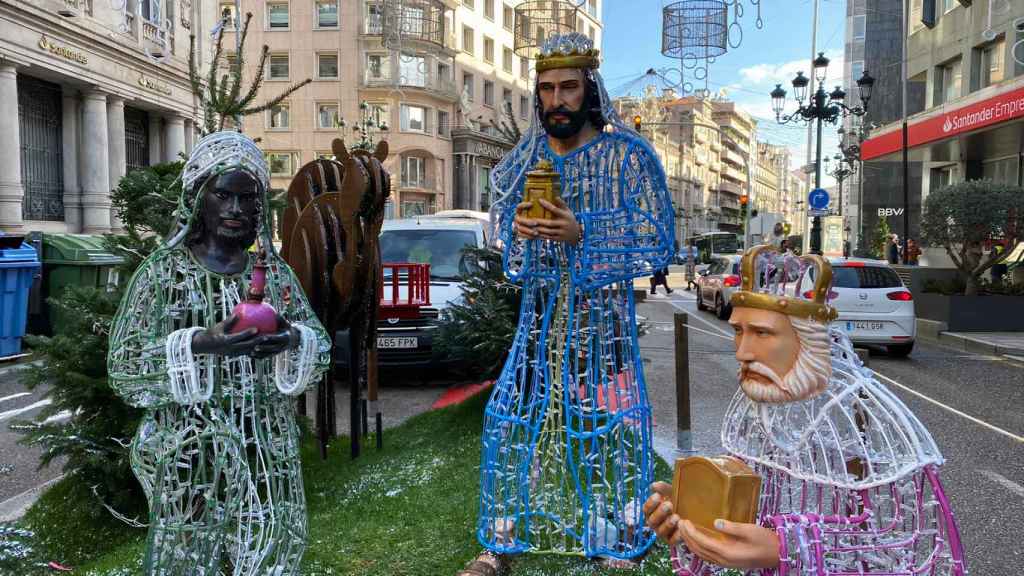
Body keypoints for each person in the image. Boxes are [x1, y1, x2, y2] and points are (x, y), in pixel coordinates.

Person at [474, 32, 674, 567]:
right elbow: (510, 258)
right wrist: (519, 231)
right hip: (536, 324)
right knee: (507, 419)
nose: (556, 100)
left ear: (590, 90)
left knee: (611, 426)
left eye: (568, 87)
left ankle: (620, 532)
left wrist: (582, 233)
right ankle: (499, 540)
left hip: (602, 328)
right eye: (546, 89)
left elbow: (657, 241)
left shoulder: (628, 157)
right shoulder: (521, 164)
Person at [642, 245, 965, 575]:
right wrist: (693, 515)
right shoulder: (754, 403)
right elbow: (748, 506)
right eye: (739, 331)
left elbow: (907, 539)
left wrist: (789, 547)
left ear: (806, 340)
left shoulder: (873, 413)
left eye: (762, 333)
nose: (743, 352)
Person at [108, 131, 331, 575]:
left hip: (265, 458)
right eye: (223, 195)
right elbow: (125, 366)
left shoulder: (275, 276)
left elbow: (320, 347)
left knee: (270, 555)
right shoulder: (162, 273)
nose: (234, 209)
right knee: (189, 561)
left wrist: (290, 339)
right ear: (198, 198)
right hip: (190, 463)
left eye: (247, 199)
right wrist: (197, 343)